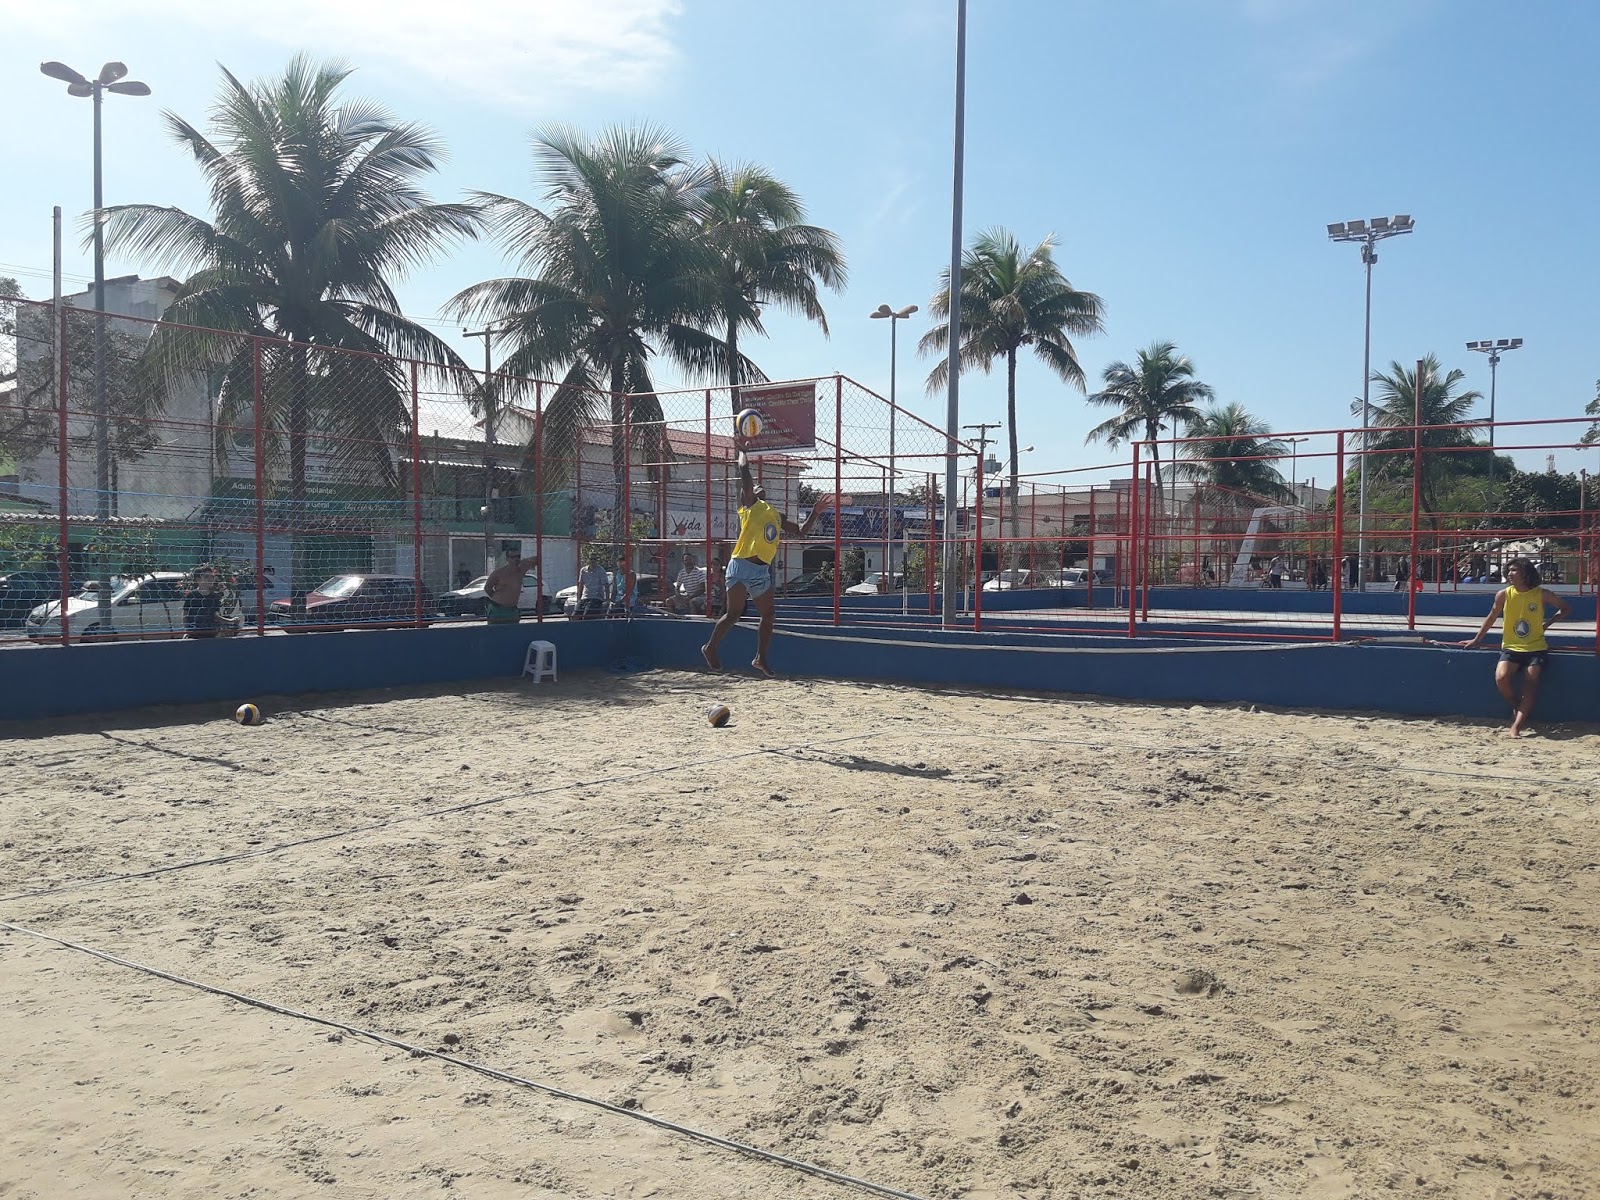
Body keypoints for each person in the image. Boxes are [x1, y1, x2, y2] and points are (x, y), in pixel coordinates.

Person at [702, 454, 825, 676]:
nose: (757, 488)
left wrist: (815, 512)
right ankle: (710, 648)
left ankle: (760, 658)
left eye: (759, 487)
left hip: (761, 570)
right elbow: (746, 478)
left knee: (768, 614)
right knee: (733, 614)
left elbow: (801, 531)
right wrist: (743, 457)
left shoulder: (776, 515)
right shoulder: (750, 506)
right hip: (741, 564)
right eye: (754, 488)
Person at [1459, 557, 1571, 738]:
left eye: (1514, 570)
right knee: (1501, 677)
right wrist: (1477, 639)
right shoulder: (1504, 594)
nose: (1510, 574)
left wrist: (1546, 625)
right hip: (1511, 647)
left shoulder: (1541, 593)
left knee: (1530, 682)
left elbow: (1565, 608)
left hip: (1535, 647)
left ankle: (1516, 726)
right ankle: (1516, 705)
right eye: (1509, 570)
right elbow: (1491, 616)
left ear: (1525, 572)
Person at [483, 547, 537, 625]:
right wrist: (499, 599)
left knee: (513, 631)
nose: (516, 559)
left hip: (512, 610)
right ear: (507, 559)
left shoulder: (521, 570)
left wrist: (525, 560)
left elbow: (537, 559)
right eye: (512, 557)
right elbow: (487, 588)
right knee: (494, 631)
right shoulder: (499, 573)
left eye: (518, 556)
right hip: (497, 609)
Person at [183, 566, 224, 638]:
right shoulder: (192, 595)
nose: (210, 579)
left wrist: (230, 621)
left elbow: (216, 616)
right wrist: (187, 630)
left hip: (211, 633)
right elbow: (185, 614)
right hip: (195, 634)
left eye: (212, 576)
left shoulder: (214, 597)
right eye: (206, 577)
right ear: (198, 580)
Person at [667, 550, 707, 615]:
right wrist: (678, 595)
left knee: (692, 602)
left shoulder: (699, 572)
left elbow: (702, 589)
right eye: (686, 560)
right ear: (683, 562)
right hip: (687, 595)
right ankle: (674, 617)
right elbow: (677, 587)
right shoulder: (681, 573)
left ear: (693, 560)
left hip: (699, 596)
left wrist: (691, 597)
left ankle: (693, 619)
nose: (688, 562)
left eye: (690, 559)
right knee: (669, 601)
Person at [574, 554, 610, 621]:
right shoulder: (583, 570)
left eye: (595, 559)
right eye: (591, 559)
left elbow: (606, 585)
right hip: (585, 598)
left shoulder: (601, 570)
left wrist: (607, 600)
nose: (593, 561)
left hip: (596, 598)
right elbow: (581, 585)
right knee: (575, 616)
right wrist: (578, 599)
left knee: (586, 616)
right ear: (588, 560)